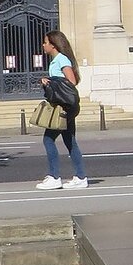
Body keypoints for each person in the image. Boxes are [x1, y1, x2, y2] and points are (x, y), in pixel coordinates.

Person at [36, 29, 88, 189]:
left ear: (53, 45)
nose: (43, 45)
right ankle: (80, 177)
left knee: (48, 139)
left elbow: (71, 81)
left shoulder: (61, 59)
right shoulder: (56, 60)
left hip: (63, 107)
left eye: (45, 42)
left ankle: (54, 176)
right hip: (63, 106)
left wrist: (51, 82)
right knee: (70, 141)